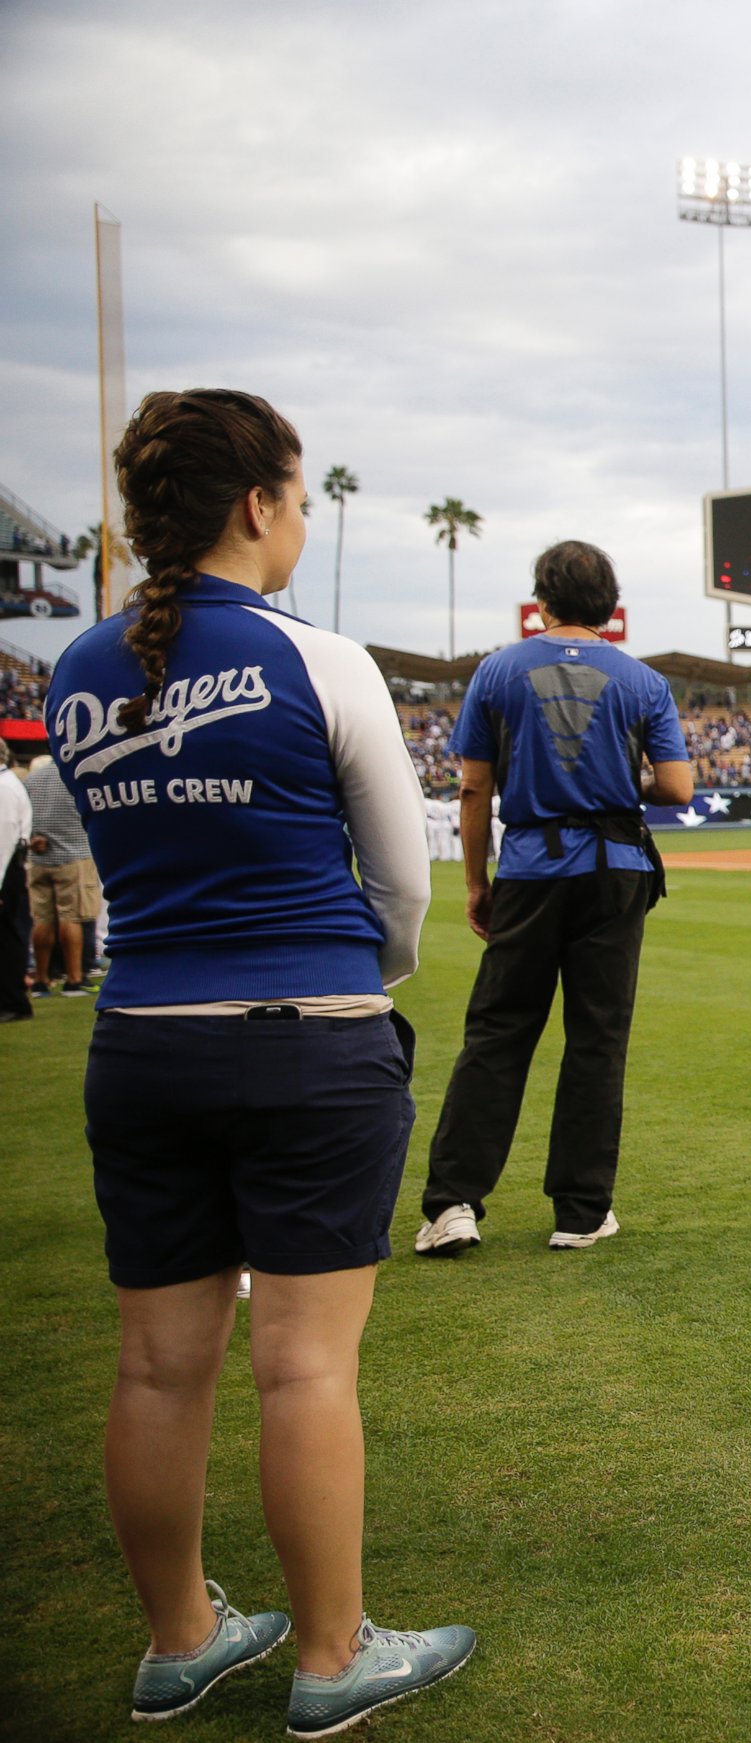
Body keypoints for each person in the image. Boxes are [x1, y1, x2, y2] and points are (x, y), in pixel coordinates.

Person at [44, 387, 472, 1734]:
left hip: (141, 1041)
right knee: (304, 1364)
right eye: (291, 494)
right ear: (258, 504)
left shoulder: (73, 667)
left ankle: (180, 1636)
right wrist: (364, 982)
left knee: (157, 1365)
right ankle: (332, 1656)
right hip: (307, 1041)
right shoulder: (318, 659)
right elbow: (401, 883)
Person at [414, 541, 691, 1257]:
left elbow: (474, 786)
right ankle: (580, 1210)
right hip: (616, 867)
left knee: (499, 1031)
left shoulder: (498, 670)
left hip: (532, 867)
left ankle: (454, 1203)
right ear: (611, 603)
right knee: (597, 1038)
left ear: (543, 599)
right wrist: (618, 780)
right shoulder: (643, 681)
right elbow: (678, 788)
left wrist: (477, 883)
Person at [24, 750, 103, 996]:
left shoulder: (33, 779)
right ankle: (74, 979)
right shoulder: (76, 776)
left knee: (42, 919)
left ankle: (42, 979)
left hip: (39, 855)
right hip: (74, 854)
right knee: (72, 917)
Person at [0, 747, 29, 1022]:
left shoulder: (4, 787)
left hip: (6, 867)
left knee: (7, 938)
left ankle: (13, 1001)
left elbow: (4, 835)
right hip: (8, 865)